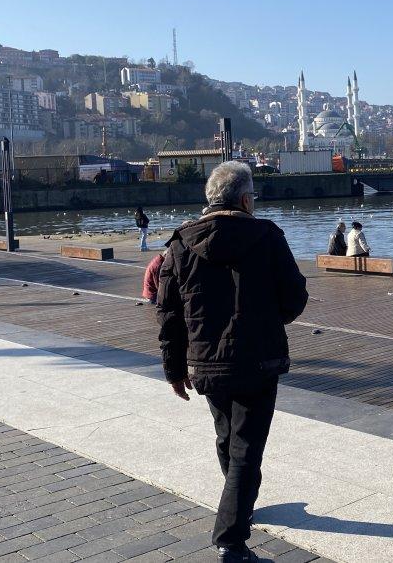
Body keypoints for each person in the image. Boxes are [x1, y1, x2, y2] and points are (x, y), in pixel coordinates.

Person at [156, 161, 308, 563]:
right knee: (246, 450)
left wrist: (173, 369)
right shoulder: (267, 236)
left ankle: (237, 504)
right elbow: (295, 297)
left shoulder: (180, 244)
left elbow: (168, 312)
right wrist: (270, 317)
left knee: (228, 439)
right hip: (258, 361)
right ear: (245, 199)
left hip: (205, 364)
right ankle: (231, 541)